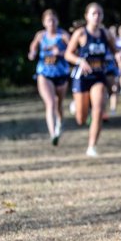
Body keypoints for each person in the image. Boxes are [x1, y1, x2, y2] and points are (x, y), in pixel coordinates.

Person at [65, 3, 119, 157]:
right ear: (87, 16)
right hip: (81, 77)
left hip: (98, 76)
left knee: (98, 109)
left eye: (100, 14)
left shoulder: (106, 34)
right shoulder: (81, 34)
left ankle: (92, 146)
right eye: (94, 13)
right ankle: (78, 106)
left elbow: (115, 51)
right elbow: (68, 54)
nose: (97, 16)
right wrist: (80, 61)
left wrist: (118, 55)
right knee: (81, 119)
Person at [28, 9, 71, 145]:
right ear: (44, 23)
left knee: (59, 104)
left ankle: (59, 123)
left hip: (61, 73)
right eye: (48, 21)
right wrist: (32, 53)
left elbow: (73, 51)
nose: (51, 23)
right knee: (50, 103)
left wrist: (61, 52)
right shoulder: (40, 35)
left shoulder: (63, 35)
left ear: (57, 21)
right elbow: (33, 46)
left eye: (53, 20)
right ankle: (53, 135)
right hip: (44, 73)